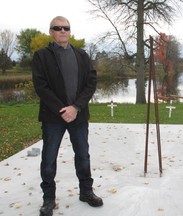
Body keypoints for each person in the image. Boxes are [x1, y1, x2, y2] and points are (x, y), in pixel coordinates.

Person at [32, 16, 103, 216]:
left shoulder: (82, 55)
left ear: (70, 31)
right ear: (51, 32)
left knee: (83, 155)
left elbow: (91, 82)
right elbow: (41, 87)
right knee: (48, 158)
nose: (63, 31)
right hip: (53, 117)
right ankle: (49, 199)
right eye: (58, 28)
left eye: (66, 28)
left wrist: (76, 107)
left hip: (78, 116)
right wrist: (63, 110)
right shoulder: (41, 56)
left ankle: (86, 192)